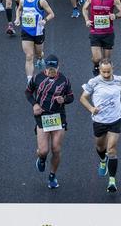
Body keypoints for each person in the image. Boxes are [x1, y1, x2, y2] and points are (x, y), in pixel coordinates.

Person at [80, 59, 121, 193]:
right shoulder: (94, 82)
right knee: (100, 147)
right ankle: (103, 160)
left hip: (115, 120)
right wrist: (91, 109)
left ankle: (112, 180)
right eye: (103, 71)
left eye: (108, 71)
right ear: (99, 69)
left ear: (112, 69)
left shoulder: (119, 80)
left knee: (112, 149)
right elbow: (82, 98)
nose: (106, 74)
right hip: (99, 121)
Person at [27, 55, 74, 190]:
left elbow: (71, 97)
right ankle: (41, 159)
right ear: (45, 67)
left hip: (58, 116)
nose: (51, 70)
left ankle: (52, 176)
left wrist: (63, 99)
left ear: (58, 67)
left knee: (56, 149)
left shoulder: (64, 80)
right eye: (49, 68)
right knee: (43, 150)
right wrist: (34, 104)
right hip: (42, 116)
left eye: (53, 68)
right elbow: (28, 92)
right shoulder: (37, 78)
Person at [82, 0, 121, 76]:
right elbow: (84, 8)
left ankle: (104, 78)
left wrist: (115, 16)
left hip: (108, 33)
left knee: (106, 61)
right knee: (97, 58)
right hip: (95, 32)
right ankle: (95, 65)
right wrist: (86, 20)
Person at [16, 0, 55, 82]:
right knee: (29, 56)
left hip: (38, 32)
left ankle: (40, 58)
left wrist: (44, 20)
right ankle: (29, 80)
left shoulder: (41, 1)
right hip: (26, 31)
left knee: (38, 53)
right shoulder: (23, 1)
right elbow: (19, 9)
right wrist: (17, 18)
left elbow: (51, 14)